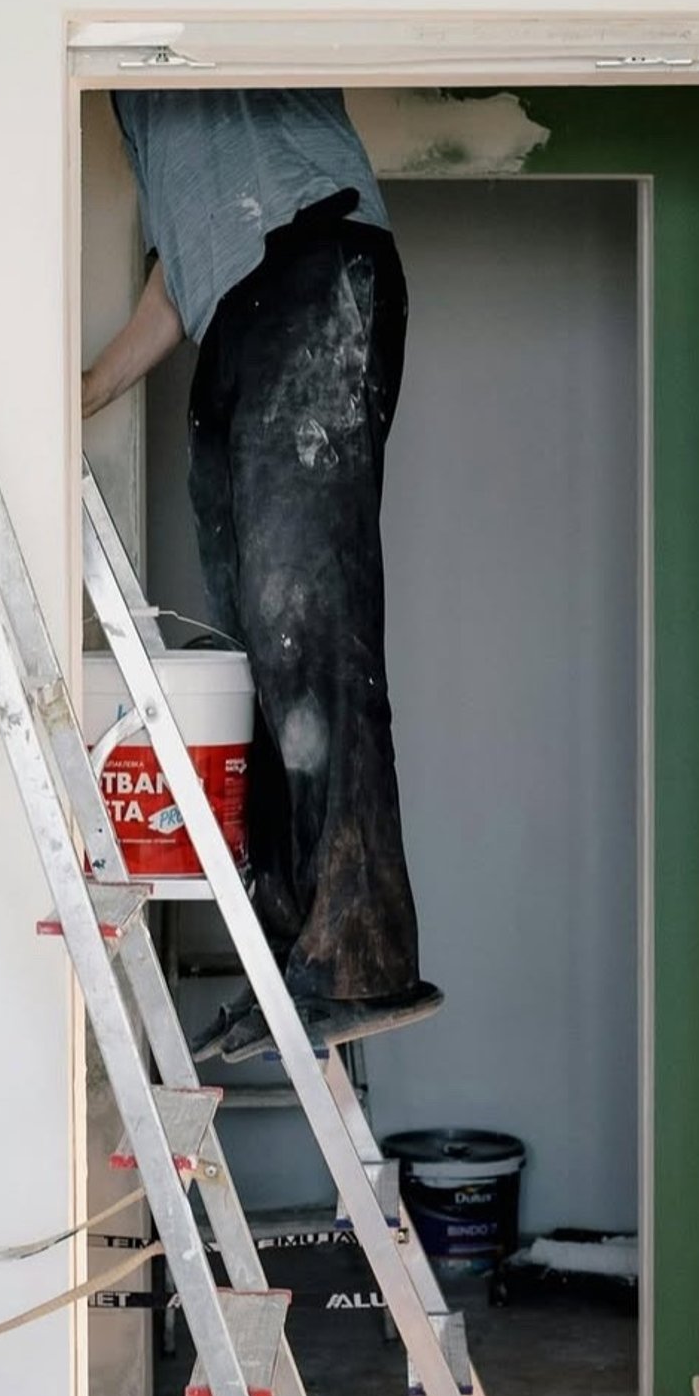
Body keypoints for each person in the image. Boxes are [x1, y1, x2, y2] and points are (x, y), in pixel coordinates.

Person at [81, 88, 441, 1063]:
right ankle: (296, 956)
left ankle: (361, 956)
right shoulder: (134, 104)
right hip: (234, 315)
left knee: (308, 626)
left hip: (311, 265)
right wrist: (90, 389)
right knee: (265, 650)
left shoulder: (187, 32)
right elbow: (180, 274)